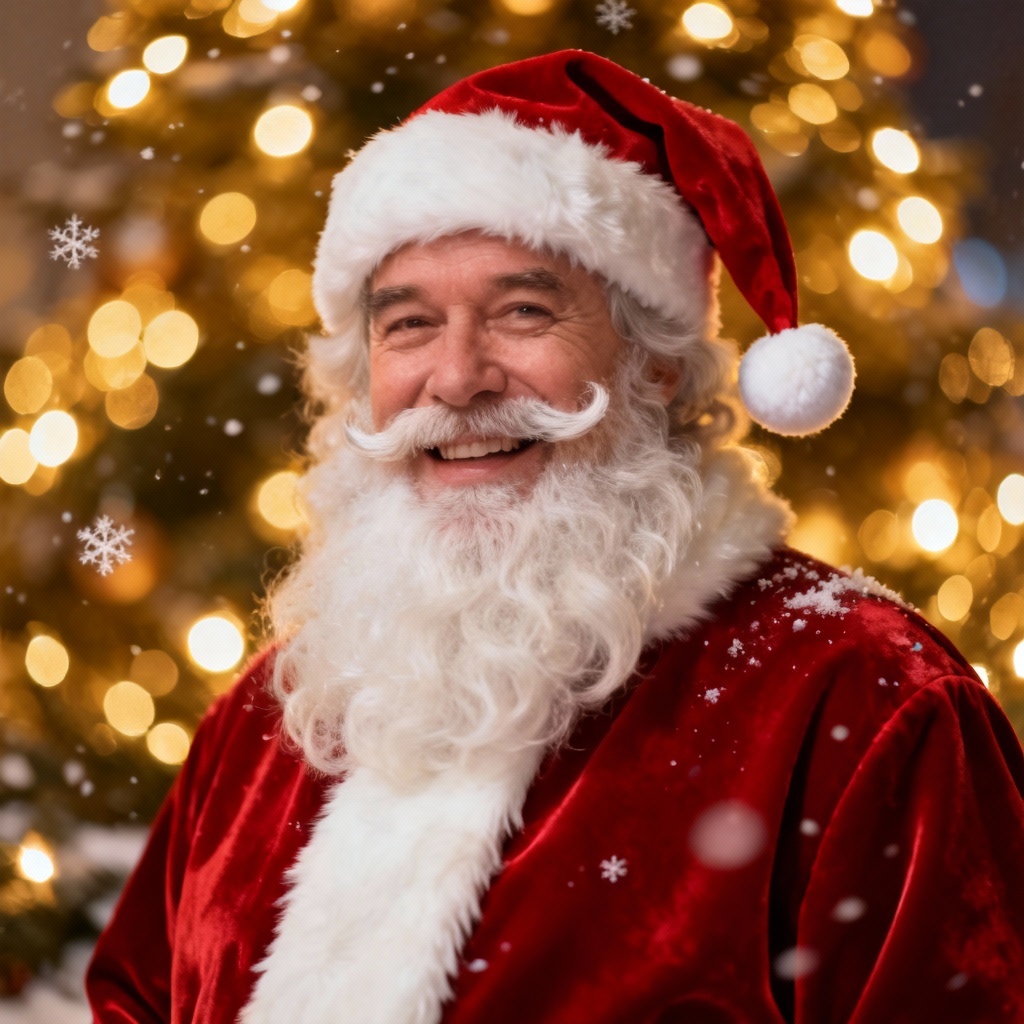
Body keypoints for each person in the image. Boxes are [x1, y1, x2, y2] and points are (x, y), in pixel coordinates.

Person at [86, 50, 1024, 1024]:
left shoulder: (867, 701)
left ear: (655, 364)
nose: (455, 378)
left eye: (522, 311)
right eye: (408, 324)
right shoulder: (271, 717)